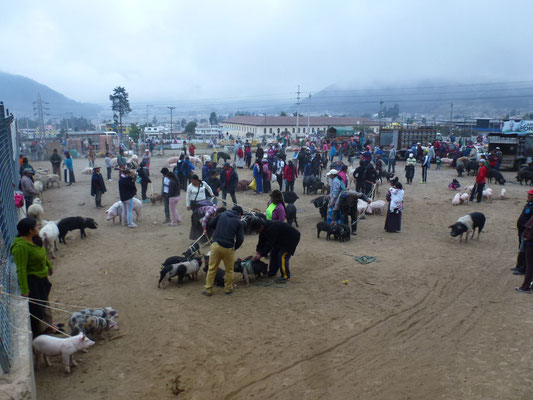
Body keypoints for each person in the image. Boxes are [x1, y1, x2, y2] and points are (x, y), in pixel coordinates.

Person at [11, 217, 56, 337]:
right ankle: (40, 333)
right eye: (36, 226)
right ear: (30, 230)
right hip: (33, 281)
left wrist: (49, 265)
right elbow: (21, 269)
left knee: (44, 301)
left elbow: (42, 255)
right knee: (37, 308)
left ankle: (48, 325)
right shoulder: (21, 247)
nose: (38, 228)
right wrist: (25, 290)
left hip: (42, 277)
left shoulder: (35, 239)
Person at [202, 206, 244, 296]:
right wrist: (234, 247)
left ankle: (208, 289)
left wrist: (217, 229)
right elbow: (240, 239)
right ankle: (228, 289)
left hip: (216, 245)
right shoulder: (238, 222)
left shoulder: (222, 215)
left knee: (212, 268)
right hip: (228, 247)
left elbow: (210, 223)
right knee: (229, 269)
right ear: (239, 214)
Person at [512, 189, 533, 276]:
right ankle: (519, 265)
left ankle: (522, 268)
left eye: (530, 195)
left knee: (524, 249)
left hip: (526, 232)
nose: (528, 195)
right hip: (522, 230)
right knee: (521, 248)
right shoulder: (529, 204)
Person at [516, 212, 533, 293]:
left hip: (531, 244)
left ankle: (525, 287)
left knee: (530, 266)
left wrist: (527, 237)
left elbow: (530, 229)